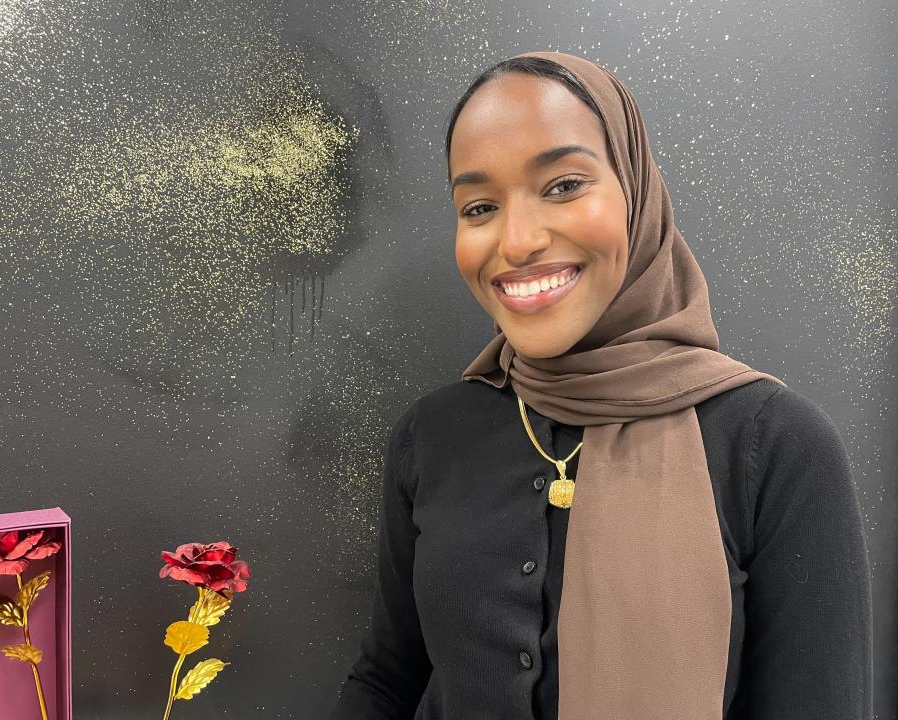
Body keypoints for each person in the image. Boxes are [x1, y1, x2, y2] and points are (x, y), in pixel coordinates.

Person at [328, 51, 872, 720]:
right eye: (479, 206)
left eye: (562, 186)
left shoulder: (771, 446)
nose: (518, 240)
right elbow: (386, 679)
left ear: (638, 191)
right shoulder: (431, 437)